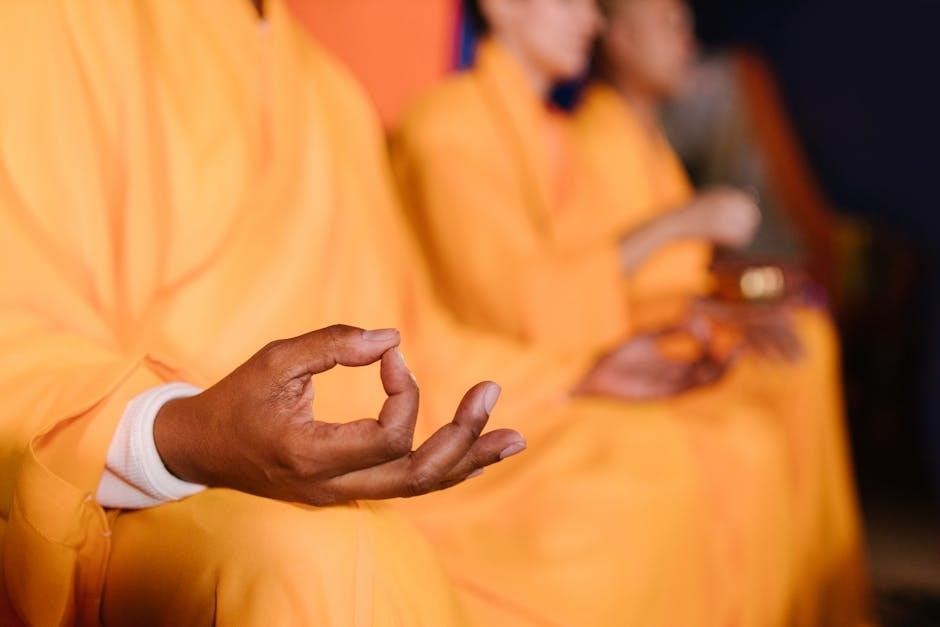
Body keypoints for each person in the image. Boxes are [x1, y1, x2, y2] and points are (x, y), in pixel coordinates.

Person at [1, 1, 726, 625]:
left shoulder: (330, 90)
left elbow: (413, 336)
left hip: (367, 461)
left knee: (644, 468)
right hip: (159, 485)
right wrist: (189, 434)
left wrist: (573, 375)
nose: (590, 18)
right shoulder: (54, 20)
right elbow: (17, 334)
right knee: (323, 556)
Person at [392, 0, 868, 624]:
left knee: (773, 389)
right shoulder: (447, 127)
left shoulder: (548, 136)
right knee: (685, 461)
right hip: (487, 382)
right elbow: (519, 306)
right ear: (501, 6)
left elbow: (586, 286)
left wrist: (711, 306)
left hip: (571, 352)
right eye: (571, 2)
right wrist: (678, 232)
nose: (588, 22)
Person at [577, 0, 868, 623]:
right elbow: (595, 283)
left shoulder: (650, 144)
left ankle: (813, 591)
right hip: (645, 342)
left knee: (807, 332)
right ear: (618, 38)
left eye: (686, 23)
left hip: (682, 323)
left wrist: (741, 303)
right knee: (788, 375)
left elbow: (674, 278)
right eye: (667, 23)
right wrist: (689, 229)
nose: (686, 38)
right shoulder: (594, 137)